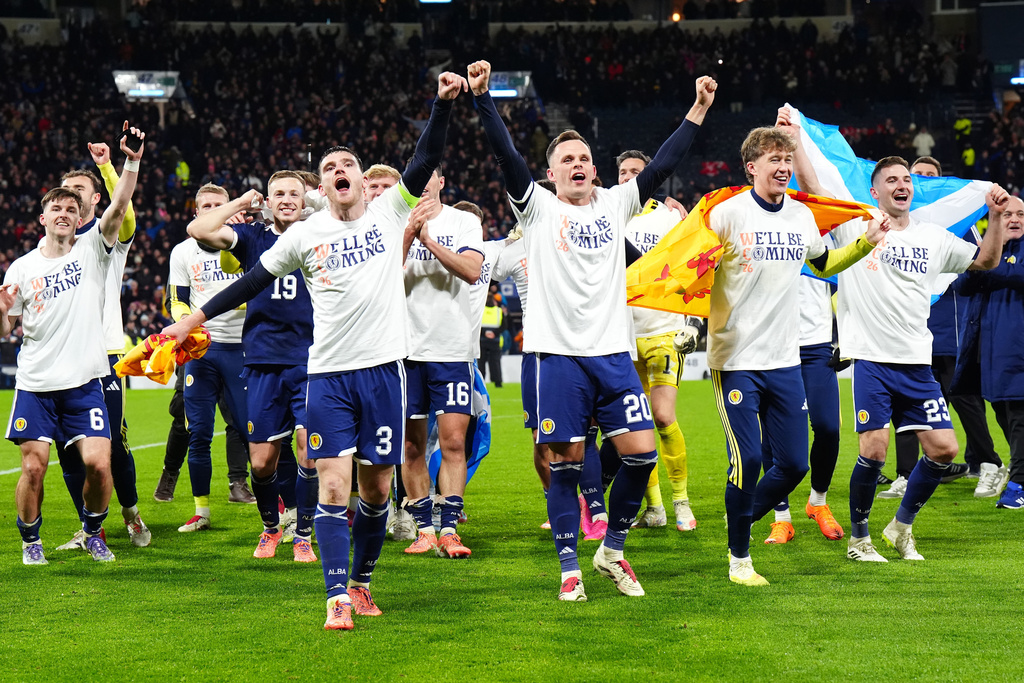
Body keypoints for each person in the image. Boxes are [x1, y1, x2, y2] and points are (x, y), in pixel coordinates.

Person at [162, 71, 466, 631]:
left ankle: (362, 582)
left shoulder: (388, 213)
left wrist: (442, 106)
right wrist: (192, 320)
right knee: (330, 482)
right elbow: (249, 283)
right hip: (325, 375)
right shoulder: (302, 235)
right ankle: (335, 597)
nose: (339, 171)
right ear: (319, 189)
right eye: (329, 168)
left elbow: (424, 159)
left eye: (346, 164)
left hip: (382, 374)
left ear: (358, 178)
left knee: (375, 489)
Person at [469, 58, 714, 601]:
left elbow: (665, 163)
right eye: (566, 159)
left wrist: (697, 108)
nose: (577, 164)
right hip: (557, 357)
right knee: (565, 465)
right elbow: (507, 155)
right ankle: (568, 568)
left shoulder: (616, 202)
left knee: (640, 454)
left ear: (595, 171)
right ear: (551, 173)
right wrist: (484, 99)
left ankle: (612, 551)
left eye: (584, 158)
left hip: (612, 356)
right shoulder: (535, 208)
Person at [795, 154, 1008, 562]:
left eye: (906, 179)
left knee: (944, 450)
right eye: (891, 179)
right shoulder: (859, 224)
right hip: (872, 361)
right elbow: (815, 185)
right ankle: (860, 540)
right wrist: (795, 140)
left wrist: (996, 218)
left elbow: (986, 261)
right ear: (875, 192)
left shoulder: (934, 236)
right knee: (874, 451)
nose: (901, 185)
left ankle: (900, 527)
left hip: (916, 362)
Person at [706, 126, 887, 585]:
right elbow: (692, 270)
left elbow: (824, 265)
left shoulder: (802, 218)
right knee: (748, 460)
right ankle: (739, 560)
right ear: (752, 167)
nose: (784, 167)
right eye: (774, 159)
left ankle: (739, 520)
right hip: (736, 359)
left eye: (787, 159)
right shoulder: (725, 214)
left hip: (785, 357)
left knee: (794, 465)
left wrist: (866, 241)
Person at [2, 125, 145, 565]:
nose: (63, 212)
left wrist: (129, 161)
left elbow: (120, 205)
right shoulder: (22, 268)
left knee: (101, 465)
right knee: (33, 467)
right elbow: (4, 329)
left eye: (70, 207)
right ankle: (31, 540)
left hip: (86, 382)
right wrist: (4, 305)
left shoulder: (92, 250)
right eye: (55, 208)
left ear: (80, 216)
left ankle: (93, 530)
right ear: (42, 218)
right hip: (37, 384)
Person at [186, 171, 318, 562]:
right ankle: (270, 527)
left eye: (295, 193)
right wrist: (242, 202)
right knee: (261, 462)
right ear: (269, 201)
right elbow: (198, 228)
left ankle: (303, 535)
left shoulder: (318, 237)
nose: (287, 199)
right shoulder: (252, 238)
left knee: (308, 450)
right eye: (279, 193)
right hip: (261, 360)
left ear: (305, 200)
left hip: (309, 359)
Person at [52, 138, 151, 552]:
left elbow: (124, 214)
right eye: (65, 194)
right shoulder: (52, 247)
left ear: (95, 199)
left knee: (111, 445)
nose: (71, 200)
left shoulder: (108, 235)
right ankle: (90, 527)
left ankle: (130, 512)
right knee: (69, 450)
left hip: (107, 353)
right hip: (61, 359)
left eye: (78, 192)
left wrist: (111, 167)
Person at [882, 156, 995, 498]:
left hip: (948, 328)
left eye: (931, 176)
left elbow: (979, 263)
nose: (923, 181)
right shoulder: (896, 224)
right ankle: (905, 473)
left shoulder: (959, 222)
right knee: (903, 402)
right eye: (919, 176)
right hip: (905, 328)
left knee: (961, 396)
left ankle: (987, 461)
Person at [400, 165, 484, 558]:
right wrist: (406, 235)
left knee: (452, 442)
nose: (422, 185)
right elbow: (375, 278)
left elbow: (471, 270)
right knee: (411, 447)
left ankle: (449, 527)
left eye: (428, 177)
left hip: (451, 351)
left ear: (441, 182)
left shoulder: (463, 221)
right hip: (404, 352)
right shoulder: (390, 222)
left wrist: (428, 241)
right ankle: (423, 529)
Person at [616, 149, 699, 533]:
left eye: (637, 171)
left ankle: (682, 502)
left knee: (663, 417)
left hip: (664, 328)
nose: (629, 176)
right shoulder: (606, 214)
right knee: (638, 425)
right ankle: (655, 508)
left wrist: (693, 319)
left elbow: (693, 264)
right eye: (624, 172)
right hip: (621, 334)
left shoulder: (670, 217)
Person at [168, 184, 253, 532]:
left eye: (220, 205)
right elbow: (177, 299)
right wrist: (187, 326)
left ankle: (276, 514)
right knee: (199, 432)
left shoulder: (248, 241)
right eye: (207, 205)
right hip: (202, 352)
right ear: (197, 213)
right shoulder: (182, 252)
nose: (213, 209)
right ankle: (201, 511)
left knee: (254, 431)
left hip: (244, 349)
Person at [953, 195, 1024, 508]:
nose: (1014, 220)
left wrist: (984, 264)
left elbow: (1012, 275)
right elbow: (961, 285)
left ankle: (1019, 483)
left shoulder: (1001, 254)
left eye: (1021, 214)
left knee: (1019, 415)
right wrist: (983, 262)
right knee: (1003, 413)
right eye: (1007, 214)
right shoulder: (994, 251)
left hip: (1017, 351)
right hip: (990, 352)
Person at [478, 289, 504, 387]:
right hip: (495, 340)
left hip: (482, 340)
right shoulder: (498, 311)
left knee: (481, 363)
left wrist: (485, 333)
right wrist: (494, 333)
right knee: (495, 363)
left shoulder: (480, 310)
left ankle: (481, 382)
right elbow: (504, 325)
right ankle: (498, 383)